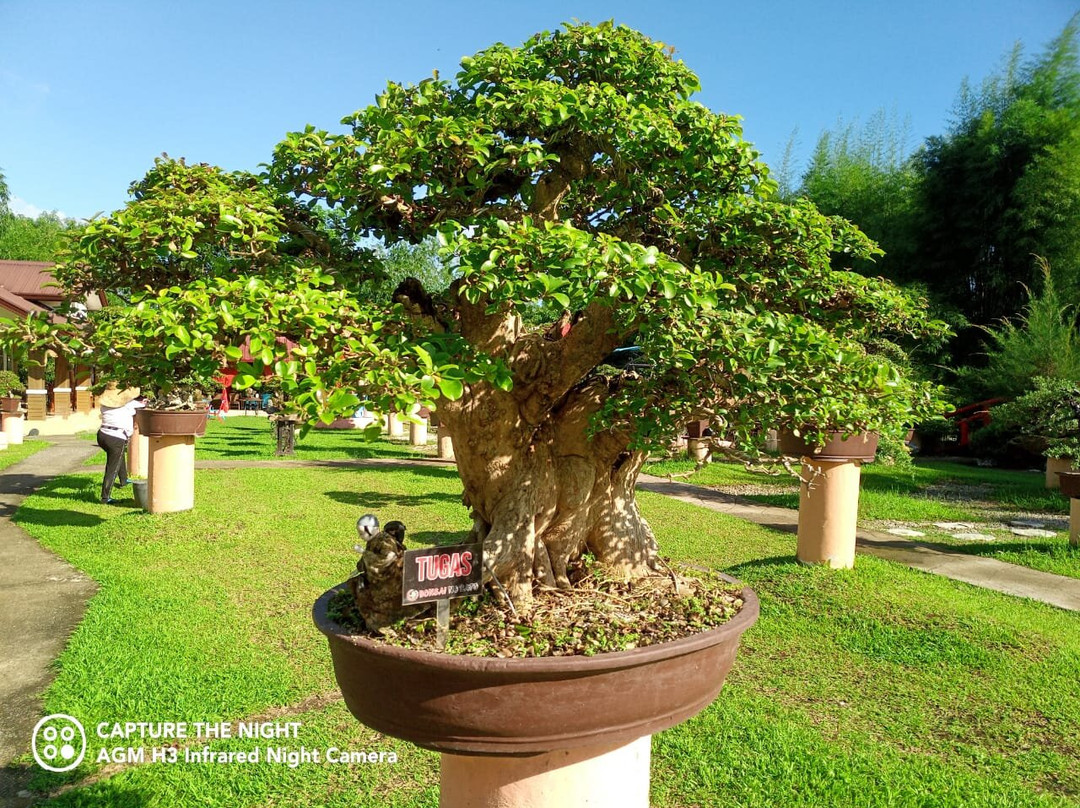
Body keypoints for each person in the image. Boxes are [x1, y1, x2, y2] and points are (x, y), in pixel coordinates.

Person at [96, 383, 147, 505]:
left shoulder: (104, 405)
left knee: (118, 457)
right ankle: (105, 497)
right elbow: (143, 403)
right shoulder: (128, 404)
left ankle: (124, 480)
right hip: (116, 437)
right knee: (112, 468)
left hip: (102, 434)